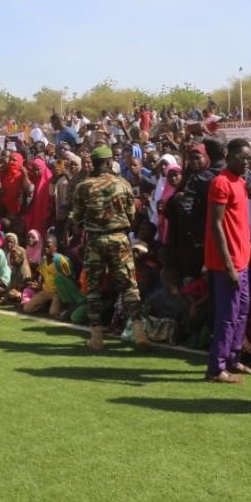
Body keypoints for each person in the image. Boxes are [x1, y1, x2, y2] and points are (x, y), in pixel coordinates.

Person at [204, 138, 251, 383]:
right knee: (227, 316)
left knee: (241, 313)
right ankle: (216, 368)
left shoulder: (240, 182)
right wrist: (228, 266)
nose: (247, 163)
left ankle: (232, 358)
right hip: (226, 263)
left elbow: (241, 230)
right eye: (242, 159)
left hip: (242, 261)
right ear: (228, 156)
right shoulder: (220, 183)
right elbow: (216, 226)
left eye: (249, 160)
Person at [72, 145, 147, 351]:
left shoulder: (84, 186)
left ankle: (96, 338)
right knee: (129, 286)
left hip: (95, 241)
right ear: (108, 162)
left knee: (94, 289)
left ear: (94, 163)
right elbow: (132, 217)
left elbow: (76, 217)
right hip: (119, 239)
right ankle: (139, 332)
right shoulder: (123, 184)